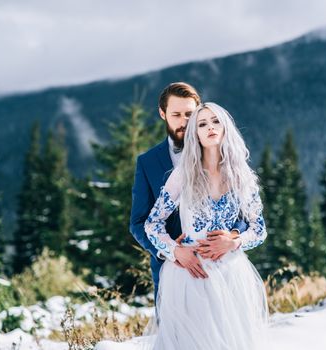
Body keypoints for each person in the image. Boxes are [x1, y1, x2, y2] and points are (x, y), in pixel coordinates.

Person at [96, 102, 270, 350]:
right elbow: (152, 224)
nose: (210, 127)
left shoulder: (242, 176)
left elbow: (259, 228)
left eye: (215, 121)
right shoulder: (183, 175)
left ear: (225, 127)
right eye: (202, 124)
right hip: (191, 274)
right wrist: (175, 251)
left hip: (232, 273)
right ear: (194, 134)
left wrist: (234, 241)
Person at [128, 83, 251, 305]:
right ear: (162, 114)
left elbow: (244, 214)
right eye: (176, 114)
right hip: (173, 270)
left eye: (190, 114)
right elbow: (138, 222)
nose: (184, 121)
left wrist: (231, 236)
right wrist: (172, 252)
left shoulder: (229, 164)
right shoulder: (147, 162)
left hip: (223, 267)